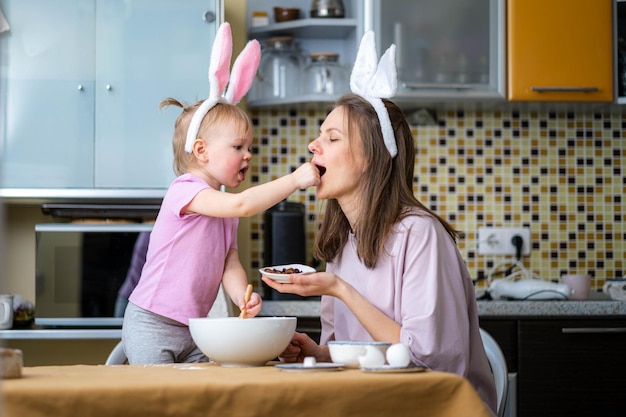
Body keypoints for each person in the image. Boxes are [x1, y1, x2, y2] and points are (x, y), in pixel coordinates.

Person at [261, 31, 497, 416]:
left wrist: (340, 289)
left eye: (331, 137)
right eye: (319, 136)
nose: (313, 146)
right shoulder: (342, 244)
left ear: (370, 155)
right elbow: (352, 356)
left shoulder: (419, 235)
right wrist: (317, 353)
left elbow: (425, 360)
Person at [122, 22, 320, 365]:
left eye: (250, 147)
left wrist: (242, 296)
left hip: (195, 328)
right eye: (238, 146)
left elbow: (228, 261)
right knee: (156, 401)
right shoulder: (186, 191)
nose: (248, 155)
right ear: (201, 150)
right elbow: (243, 205)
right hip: (152, 323)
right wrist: (294, 180)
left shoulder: (222, 208)